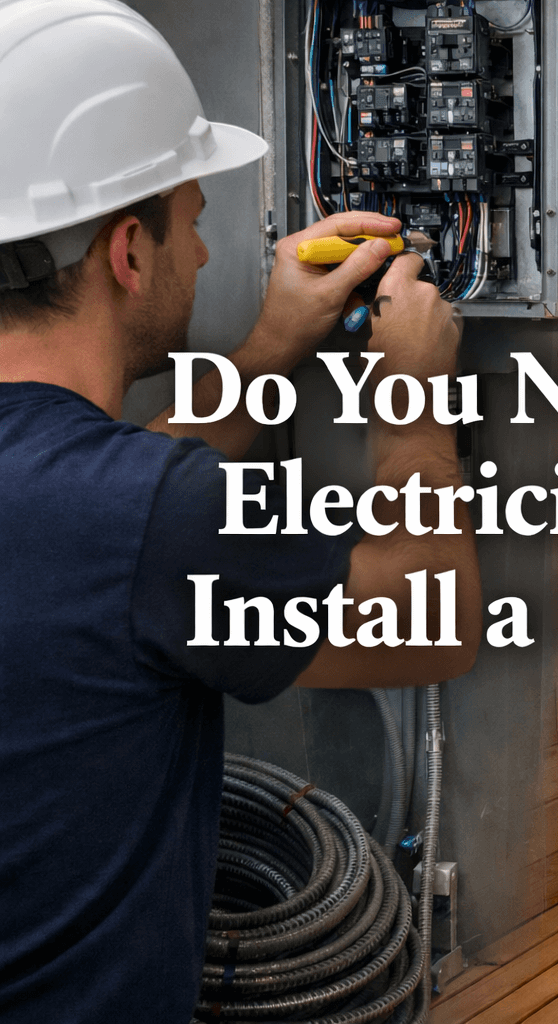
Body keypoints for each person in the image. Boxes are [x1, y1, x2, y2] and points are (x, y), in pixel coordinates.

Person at [0, 2, 481, 1021]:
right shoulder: (143, 515)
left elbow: (97, 516)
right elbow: (427, 619)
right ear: (129, 250)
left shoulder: (94, 501)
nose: (208, 256)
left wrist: (266, 352)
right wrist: (413, 394)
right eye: (195, 219)